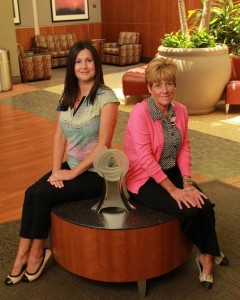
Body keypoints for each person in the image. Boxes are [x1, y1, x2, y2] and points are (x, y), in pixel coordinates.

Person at [5, 40, 119, 285]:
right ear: (71, 66)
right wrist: (57, 170)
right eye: (78, 61)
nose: (84, 66)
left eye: (89, 60)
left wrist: (72, 173)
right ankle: (21, 254)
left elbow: (103, 146)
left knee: (44, 195)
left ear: (96, 64)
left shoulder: (106, 97)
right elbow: (59, 135)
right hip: (72, 165)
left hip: (97, 173)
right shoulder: (67, 94)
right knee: (31, 192)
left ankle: (36, 253)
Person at [123, 57, 228, 289]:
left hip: (171, 170)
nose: (165, 90)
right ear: (149, 88)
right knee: (189, 211)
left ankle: (207, 253)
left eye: (169, 83)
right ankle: (208, 255)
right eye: (158, 85)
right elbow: (145, 157)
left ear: (175, 85)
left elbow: (184, 148)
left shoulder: (180, 110)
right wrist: (174, 191)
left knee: (205, 205)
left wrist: (187, 183)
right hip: (144, 179)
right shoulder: (140, 114)